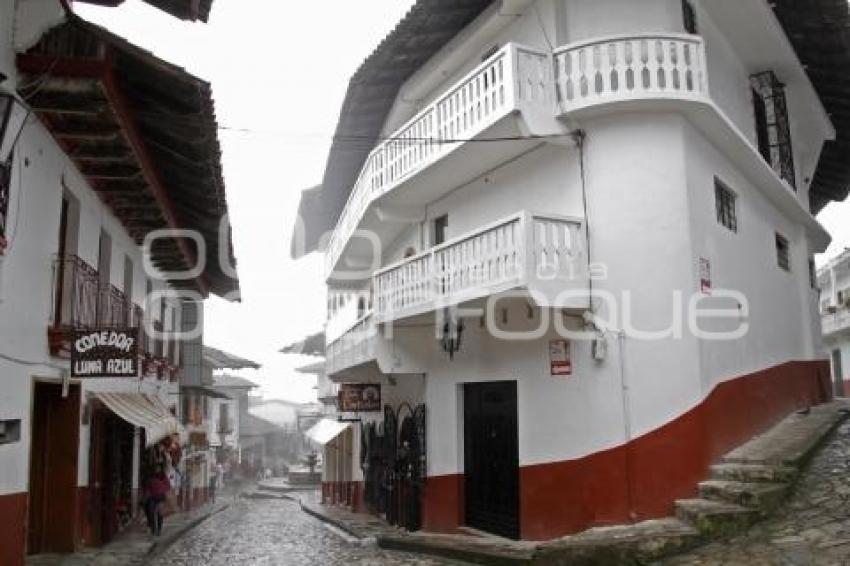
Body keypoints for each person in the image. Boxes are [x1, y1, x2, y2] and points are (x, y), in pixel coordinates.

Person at [144, 465, 171, 536]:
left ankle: (159, 529)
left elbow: (168, 486)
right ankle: (153, 528)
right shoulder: (151, 477)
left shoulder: (163, 477)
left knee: (160, 513)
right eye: (156, 468)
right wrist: (147, 495)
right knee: (151, 512)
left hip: (161, 497)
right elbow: (147, 487)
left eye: (158, 468)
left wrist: (162, 490)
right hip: (152, 497)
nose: (157, 469)